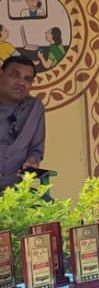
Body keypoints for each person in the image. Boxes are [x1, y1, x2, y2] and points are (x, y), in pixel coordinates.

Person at [0, 55, 45, 190]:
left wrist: (32, 161)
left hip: (15, 189)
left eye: (27, 79)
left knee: (49, 202)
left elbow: (36, 149)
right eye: (15, 75)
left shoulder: (35, 108)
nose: (21, 82)